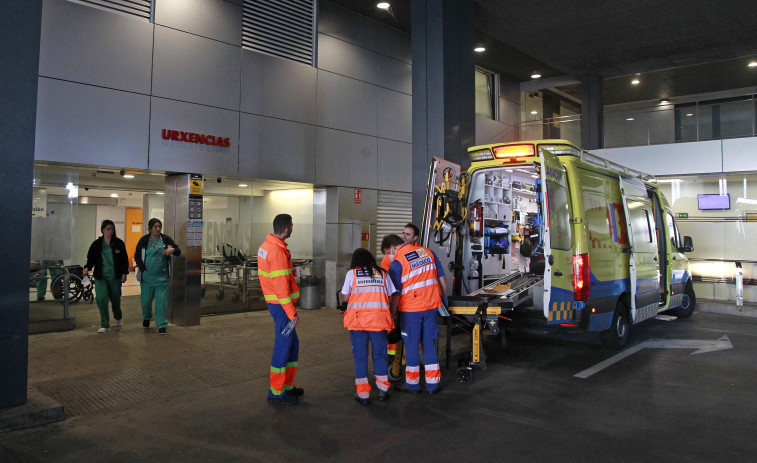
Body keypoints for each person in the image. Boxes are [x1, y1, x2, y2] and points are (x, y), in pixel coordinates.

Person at [389, 222, 448, 395]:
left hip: (411, 310)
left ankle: (413, 385)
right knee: (429, 344)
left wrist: (392, 315)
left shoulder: (398, 262)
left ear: (394, 248)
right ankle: (432, 384)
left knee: (412, 346)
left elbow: (396, 294)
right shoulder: (428, 252)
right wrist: (443, 301)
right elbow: (441, 279)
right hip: (431, 307)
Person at [341, 248, 398, 405]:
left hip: (358, 323)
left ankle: (363, 394)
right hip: (379, 322)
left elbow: (346, 298)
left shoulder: (351, 274)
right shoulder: (382, 274)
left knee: (360, 357)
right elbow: (391, 296)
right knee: (380, 356)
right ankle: (383, 391)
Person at [258, 214, 303, 405]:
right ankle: (276, 392)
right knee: (283, 345)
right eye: (292, 226)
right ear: (286, 229)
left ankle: (287, 386)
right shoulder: (276, 252)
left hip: (279, 306)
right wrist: (292, 314)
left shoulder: (269, 247)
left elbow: (279, 278)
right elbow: (281, 288)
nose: (292, 228)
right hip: (282, 308)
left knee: (292, 344)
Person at [134, 218, 181, 335]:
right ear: (150, 229)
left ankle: (161, 325)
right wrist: (143, 270)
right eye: (155, 227)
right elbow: (137, 256)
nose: (158, 229)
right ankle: (147, 317)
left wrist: (172, 249)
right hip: (147, 278)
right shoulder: (144, 240)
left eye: (159, 226)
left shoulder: (166, 239)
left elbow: (178, 251)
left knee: (161, 303)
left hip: (162, 278)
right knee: (145, 301)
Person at [83, 220, 129, 333]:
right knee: (101, 298)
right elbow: (91, 259)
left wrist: (124, 273)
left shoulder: (119, 243)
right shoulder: (97, 244)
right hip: (101, 276)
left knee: (115, 299)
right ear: (103, 230)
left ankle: (118, 316)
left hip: (115, 276)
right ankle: (105, 324)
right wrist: (87, 267)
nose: (110, 231)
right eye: (108, 229)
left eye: (112, 229)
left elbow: (124, 260)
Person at [379, 233, 404, 359]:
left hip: (400, 302)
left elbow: (388, 285)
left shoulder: (392, 260)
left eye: (387, 252)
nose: (388, 255)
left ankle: (394, 358)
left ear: (393, 247)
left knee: (395, 330)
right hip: (410, 303)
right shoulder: (413, 254)